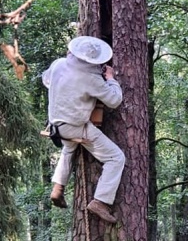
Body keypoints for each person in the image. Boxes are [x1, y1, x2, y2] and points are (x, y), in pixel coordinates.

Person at [42, 36, 125, 224]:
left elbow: (46, 80)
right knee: (116, 157)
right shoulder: (91, 78)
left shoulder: (58, 63)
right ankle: (101, 201)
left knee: (68, 148)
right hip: (74, 128)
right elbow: (114, 100)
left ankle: (58, 188)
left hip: (55, 125)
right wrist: (110, 79)